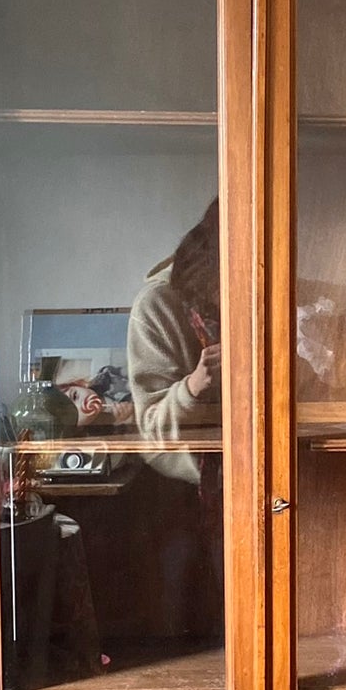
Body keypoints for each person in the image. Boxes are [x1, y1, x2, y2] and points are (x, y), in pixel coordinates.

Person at [127, 197, 221, 487]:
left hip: (288, 470)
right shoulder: (156, 306)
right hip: (184, 489)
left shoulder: (285, 292)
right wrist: (194, 386)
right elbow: (152, 431)